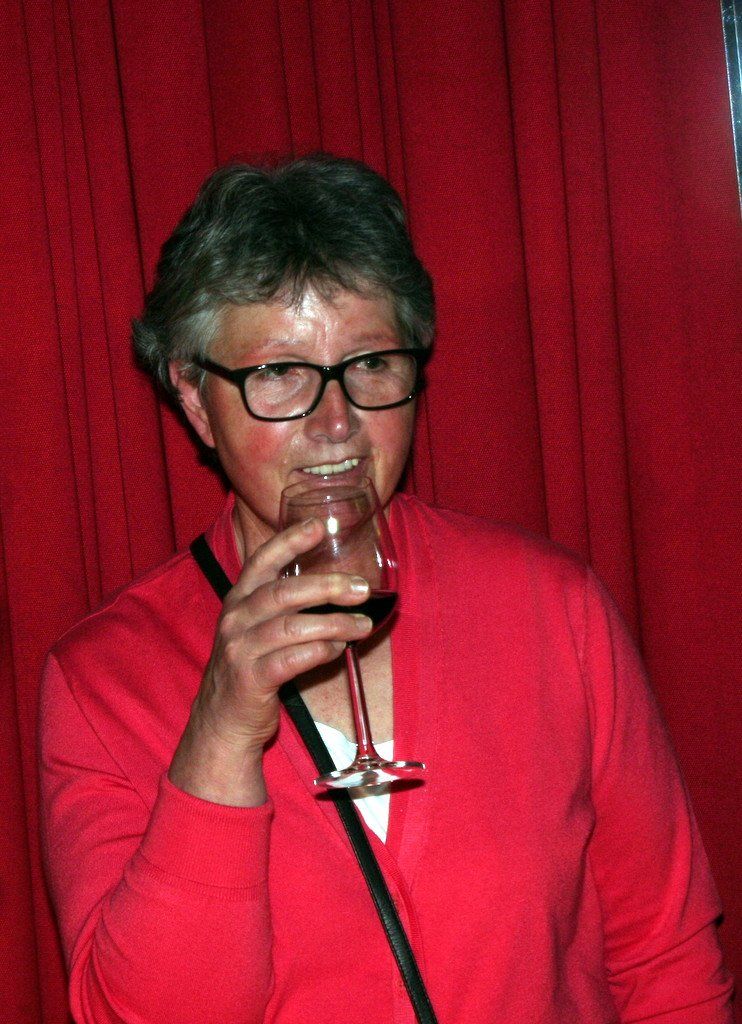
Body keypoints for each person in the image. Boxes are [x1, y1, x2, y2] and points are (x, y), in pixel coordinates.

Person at [39, 155, 734, 1024]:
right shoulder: (103, 682)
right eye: (279, 374)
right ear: (194, 396)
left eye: (370, 363)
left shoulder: (553, 609)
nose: (338, 424)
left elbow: (667, 962)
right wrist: (219, 737)